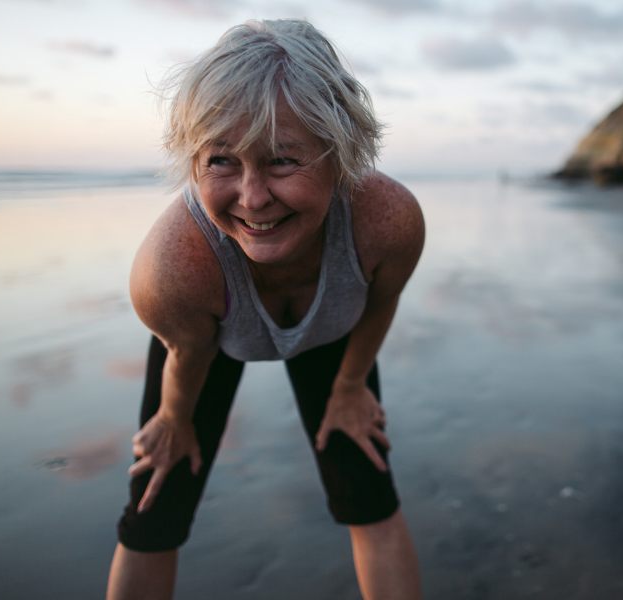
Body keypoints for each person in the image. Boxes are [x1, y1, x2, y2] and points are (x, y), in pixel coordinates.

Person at [105, 18, 424, 600]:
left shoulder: (388, 222)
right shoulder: (173, 270)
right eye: (222, 161)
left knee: (369, 493)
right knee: (154, 508)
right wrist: (174, 420)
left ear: (341, 152)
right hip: (201, 344)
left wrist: (351, 386)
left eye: (282, 161)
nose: (252, 200)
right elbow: (186, 352)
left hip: (337, 334)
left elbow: (382, 300)